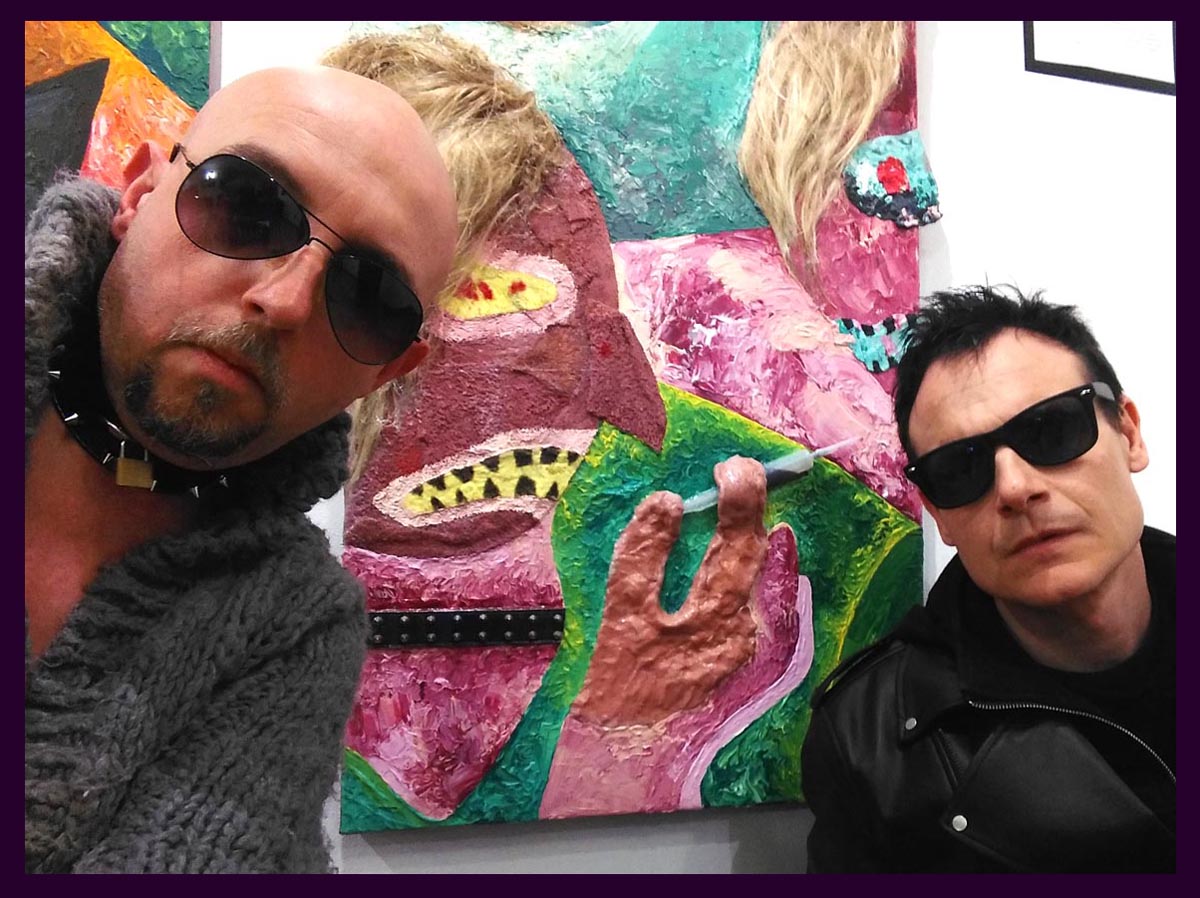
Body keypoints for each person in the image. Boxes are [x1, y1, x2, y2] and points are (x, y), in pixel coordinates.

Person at [24, 65, 458, 872]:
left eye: (367, 297)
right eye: (248, 205)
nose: (285, 301)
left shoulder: (299, 629)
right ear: (139, 191)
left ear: (386, 371)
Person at [800, 285, 1175, 872]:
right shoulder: (865, 742)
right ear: (938, 513)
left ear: (1128, 433)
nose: (1015, 488)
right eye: (961, 468)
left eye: (1051, 430)